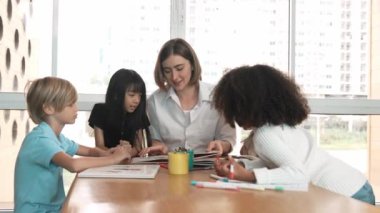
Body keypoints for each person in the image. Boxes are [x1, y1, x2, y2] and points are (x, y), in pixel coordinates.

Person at [212, 64, 375, 205]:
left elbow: (298, 174)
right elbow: (280, 163)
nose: (232, 115)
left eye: (233, 107)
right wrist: (242, 166)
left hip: (346, 196)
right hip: (355, 186)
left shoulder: (264, 135)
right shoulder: (278, 127)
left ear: (248, 105)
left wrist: (248, 176)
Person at [14, 77, 131, 213]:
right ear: (49, 108)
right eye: (70, 104)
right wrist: (113, 159)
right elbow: (73, 165)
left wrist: (109, 152)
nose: (76, 108)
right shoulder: (40, 140)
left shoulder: (57, 138)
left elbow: (90, 152)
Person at [140, 38, 236, 156]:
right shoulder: (154, 102)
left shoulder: (217, 96)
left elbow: (228, 139)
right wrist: (158, 146)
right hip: (169, 169)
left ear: (192, 65)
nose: (174, 77)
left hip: (208, 169)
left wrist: (221, 145)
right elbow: (156, 140)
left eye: (179, 68)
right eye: (167, 71)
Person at [88, 69, 151, 157]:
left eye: (140, 96)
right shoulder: (100, 111)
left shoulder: (139, 114)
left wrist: (126, 154)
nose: (137, 100)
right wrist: (118, 153)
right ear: (116, 94)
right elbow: (100, 146)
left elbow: (138, 147)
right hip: (106, 161)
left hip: (131, 163)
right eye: (131, 95)